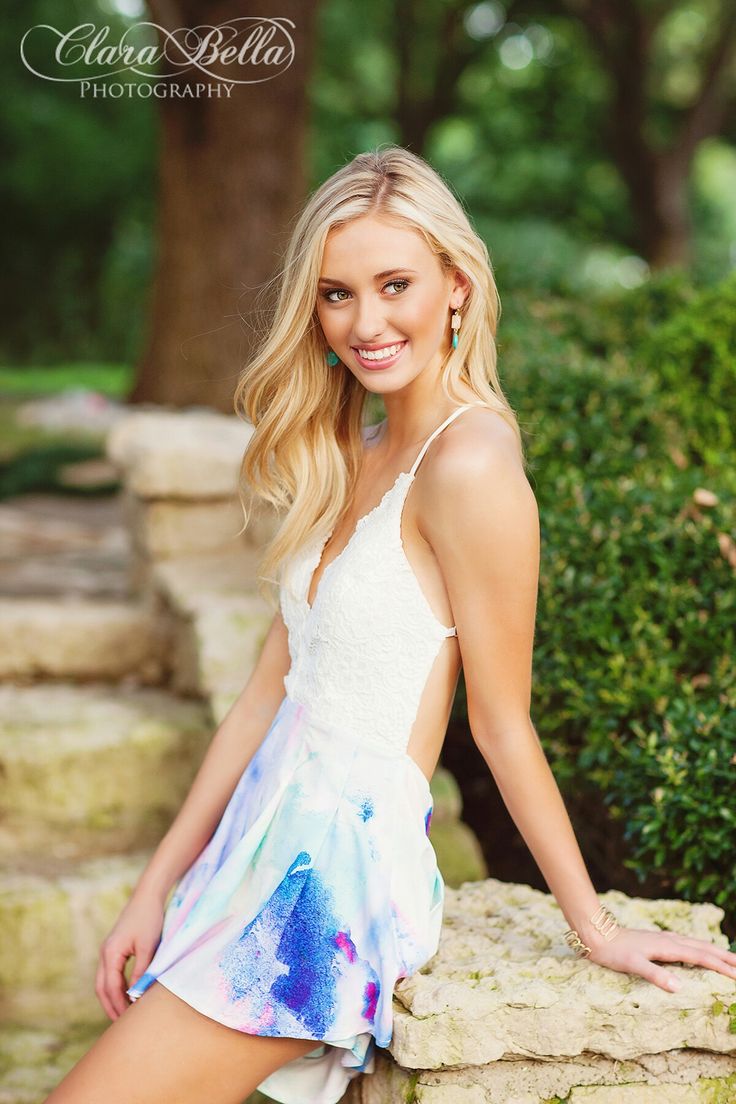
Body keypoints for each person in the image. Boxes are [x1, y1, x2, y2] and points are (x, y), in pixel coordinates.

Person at [44, 146, 736, 1104]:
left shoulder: (471, 465)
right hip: (262, 838)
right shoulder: (354, 448)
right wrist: (154, 886)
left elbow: (502, 724)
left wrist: (601, 931)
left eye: (395, 284)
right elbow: (260, 700)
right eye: (337, 294)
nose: (365, 322)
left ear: (457, 284)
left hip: (333, 881)